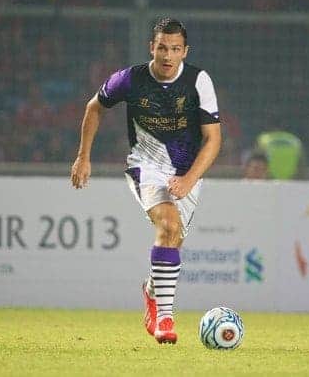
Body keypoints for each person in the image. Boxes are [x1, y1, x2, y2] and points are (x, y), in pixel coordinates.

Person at [70, 18, 222, 344]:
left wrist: (190, 178)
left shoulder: (198, 81)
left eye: (175, 49)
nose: (168, 55)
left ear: (185, 51)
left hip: (187, 172)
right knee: (168, 225)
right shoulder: (130, 79)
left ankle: (151, 291)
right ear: (151, 47)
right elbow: (94, 108)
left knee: (174, 237)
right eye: (162, 48)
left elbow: (213, 139)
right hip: (147, 166)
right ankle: (165, 321)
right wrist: (84, 156)